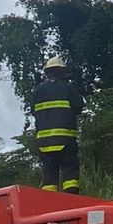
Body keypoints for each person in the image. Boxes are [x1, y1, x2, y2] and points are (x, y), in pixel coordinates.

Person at [31, 55, 83, 193]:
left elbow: (34, 112)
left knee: (49, 172)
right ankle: (71, 199)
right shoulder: (68, 88)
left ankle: (49, 203)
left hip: (44, 142)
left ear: (47, 72)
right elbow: (78, 107)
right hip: (66, 138)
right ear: (62, 71)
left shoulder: (38, 91)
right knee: (70, 169)